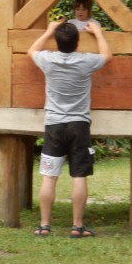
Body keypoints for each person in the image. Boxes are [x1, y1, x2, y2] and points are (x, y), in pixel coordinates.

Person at [27, 19, 112, 238]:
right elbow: (106, 56)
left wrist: (48, 31)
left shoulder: (48, 59)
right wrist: (98, 33)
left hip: (54, 126)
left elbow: (32, 50)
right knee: (79, 176)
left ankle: (44, 225)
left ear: (57, 41)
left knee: (49, 176)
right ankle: (77, 226)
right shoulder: (86, 61)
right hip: (79, 125)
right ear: (77, 42)